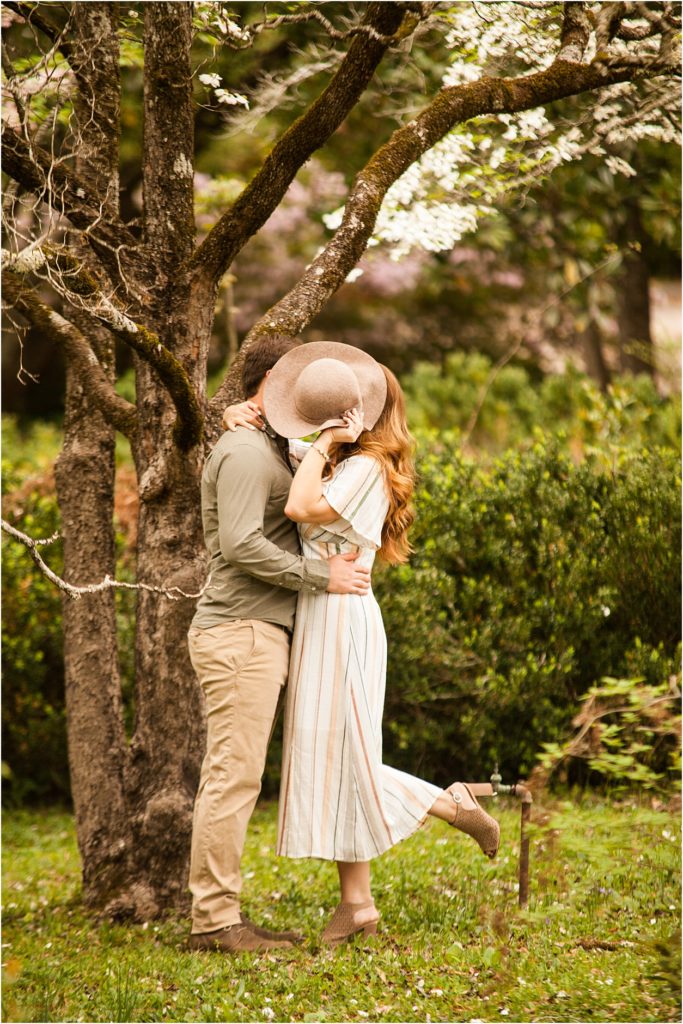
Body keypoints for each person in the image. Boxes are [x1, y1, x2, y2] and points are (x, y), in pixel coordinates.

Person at [225, 341, 500, 948]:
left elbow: (299, 504)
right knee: (332, 757)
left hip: (343, 622)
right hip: (320, 617)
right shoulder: (337, 462)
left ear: (364, 415)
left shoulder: (364, 471)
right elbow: (289, 448)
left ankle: (451, 804)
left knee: (343, 759)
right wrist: (237, 417)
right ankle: (357, 904)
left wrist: (321, 444)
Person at [187, 335, 372, 954]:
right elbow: (240, 545)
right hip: (240, 630)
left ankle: (223, 914)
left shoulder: (266, 442)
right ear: (267, 381)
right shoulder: (244, 450)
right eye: (293, 389)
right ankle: (215, 922)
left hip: (259, 631)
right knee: (231, 779)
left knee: (238, 778)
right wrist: (325, 576)